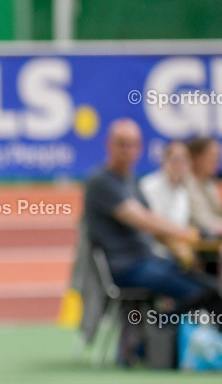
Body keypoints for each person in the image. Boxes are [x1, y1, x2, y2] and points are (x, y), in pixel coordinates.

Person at [85, 120, 220, 313]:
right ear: (109, 145)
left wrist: (178, 245)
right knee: (199, 293)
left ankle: (159, 331)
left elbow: (152, 224)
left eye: (132, 145)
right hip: (125, 268)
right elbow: (142, 218)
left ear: (140, 149)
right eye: (122, 144)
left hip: (147, 259)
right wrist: (186, 234)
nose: (127, 150)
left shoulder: (131, 180)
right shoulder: (101, 181)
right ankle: (160, 327)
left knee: (209, 287)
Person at [139, 141, 195, 264]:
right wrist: (178, 246)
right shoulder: (148, 186)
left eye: (183, 161)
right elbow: (153, 228)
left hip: (177, 255)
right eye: (175, 160)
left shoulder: (182, 193)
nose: (179, 166)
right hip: (153, 255)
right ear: (163, 161)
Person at [185, 137, 222, 238]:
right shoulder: (185, 183)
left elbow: (218, 213)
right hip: (200, 241)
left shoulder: (209, 184)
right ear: (198, 158)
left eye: (217, 157)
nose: (216, 162)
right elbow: (201, 220)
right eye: (213, 156)